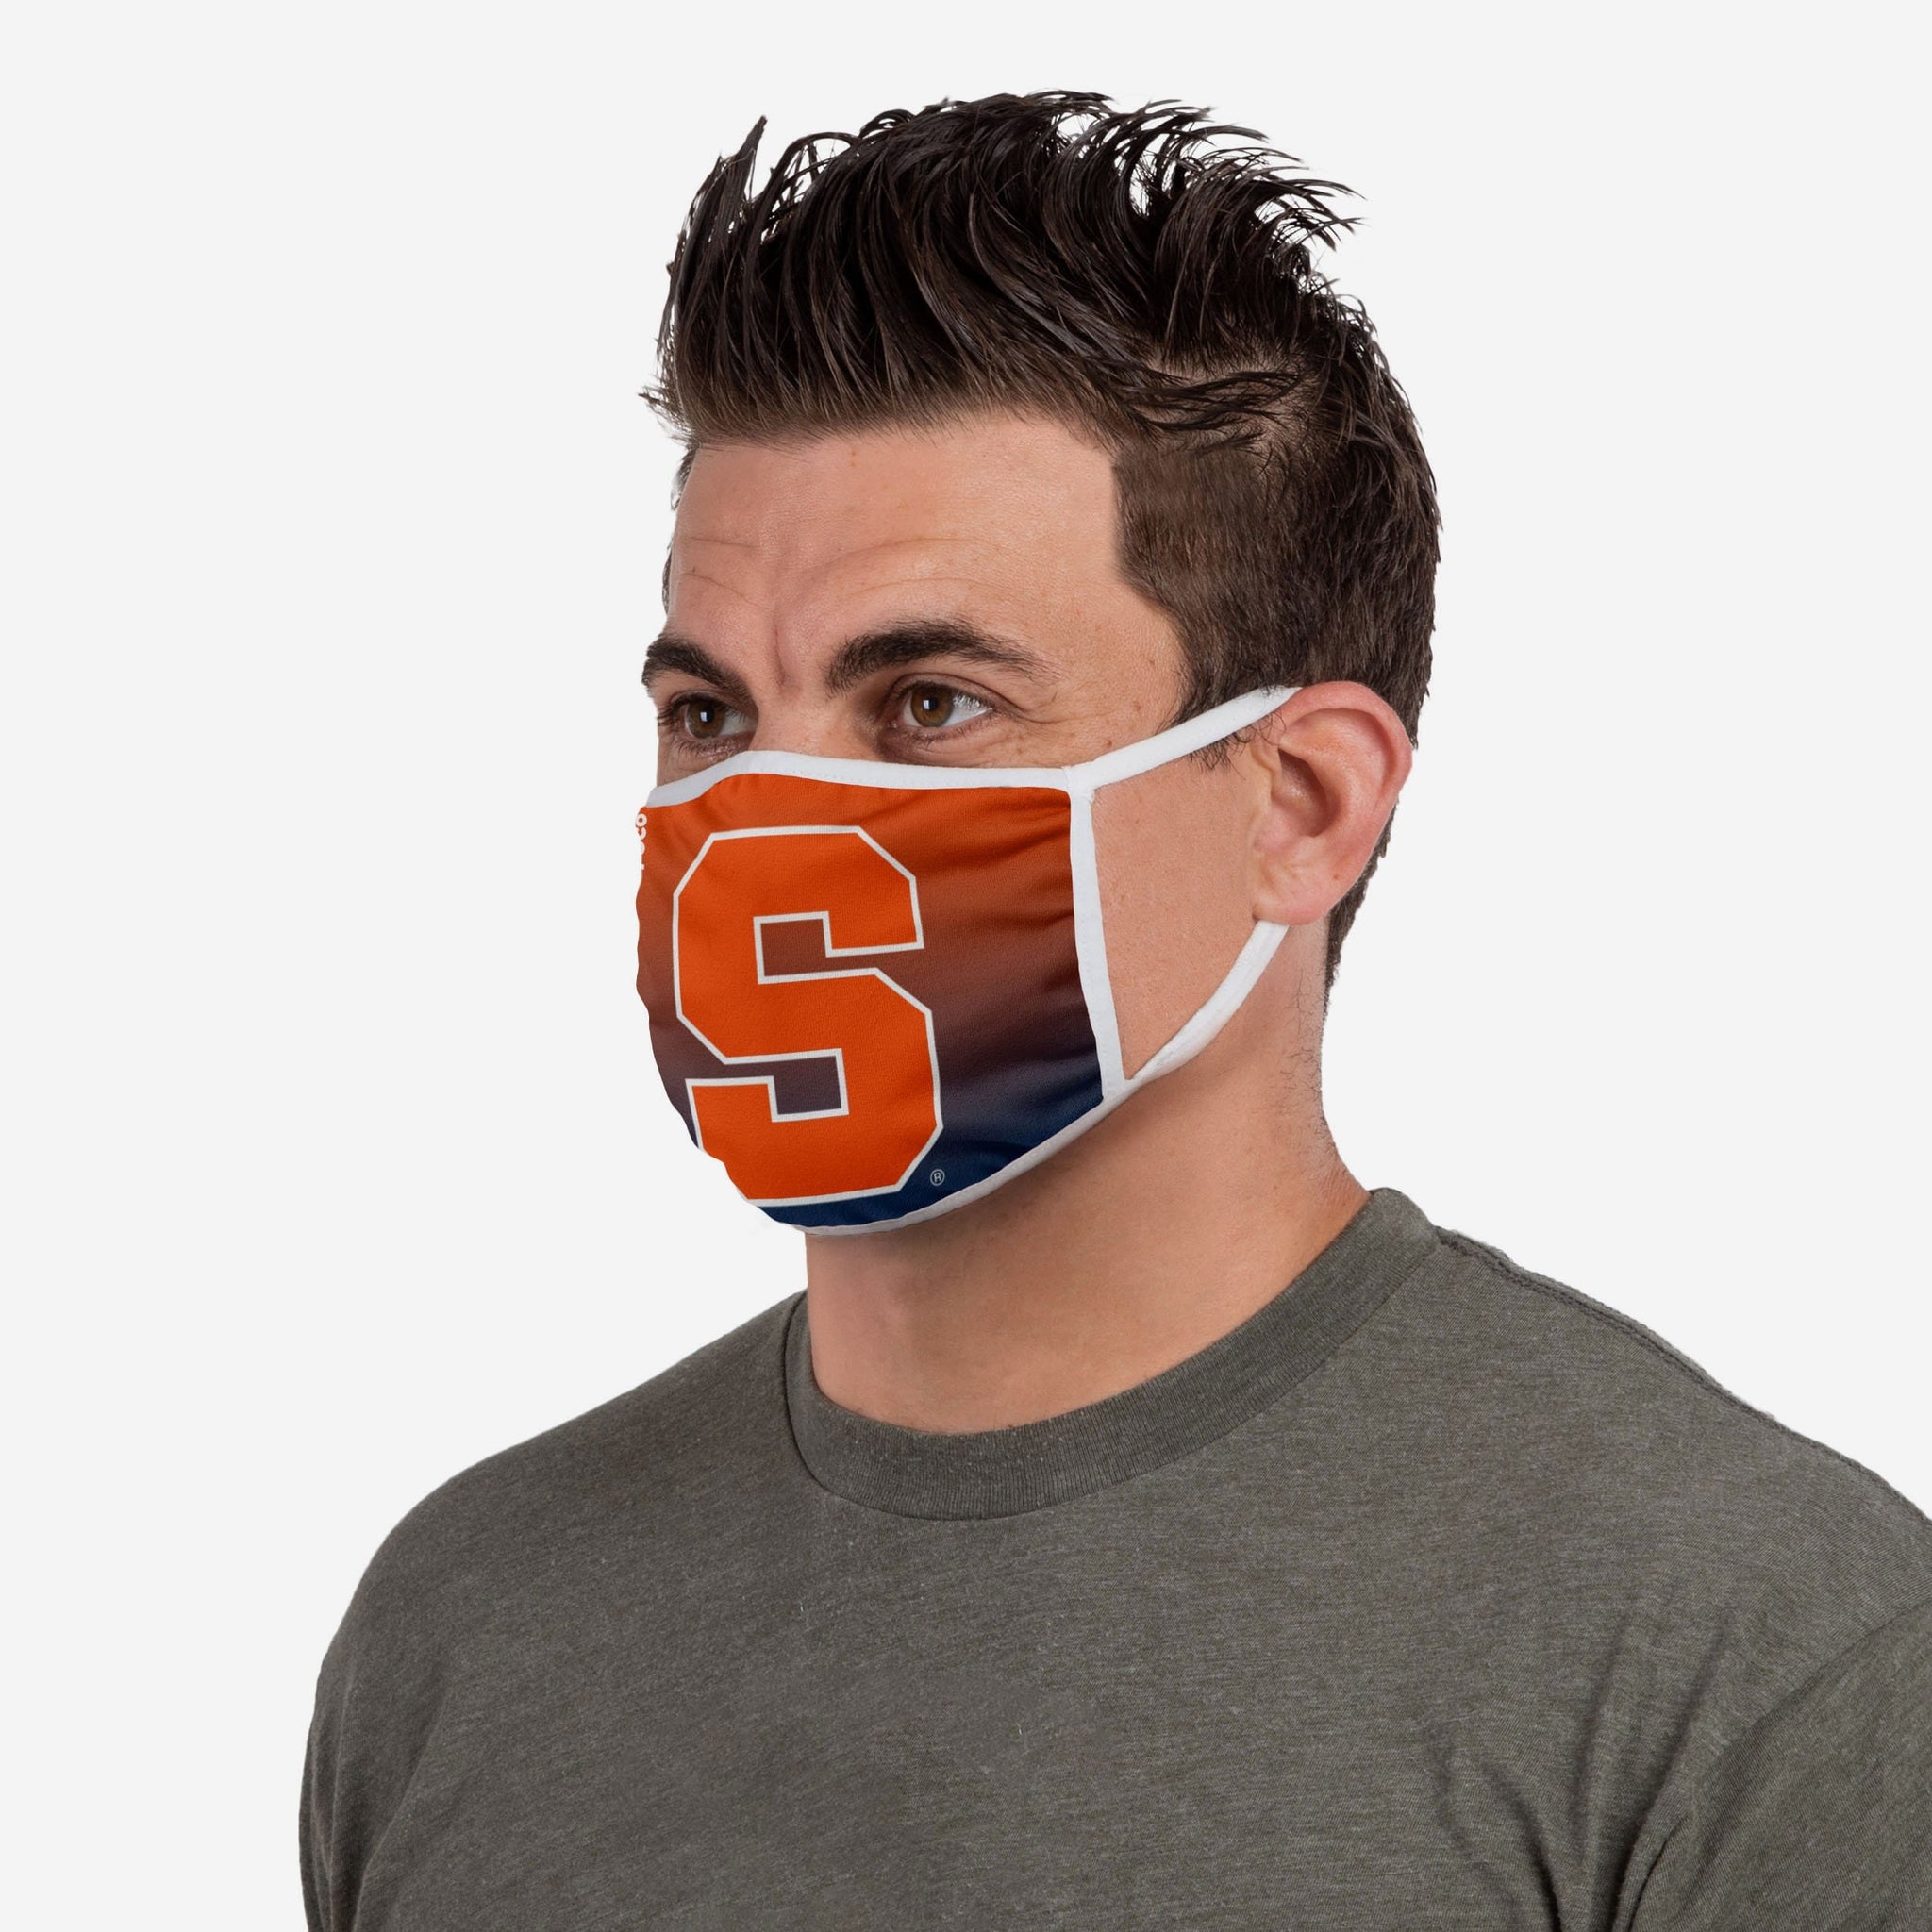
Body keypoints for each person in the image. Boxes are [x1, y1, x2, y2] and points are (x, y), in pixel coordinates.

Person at [299, 92, 1932, 1929]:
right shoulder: (470, 1622)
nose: (760, 814)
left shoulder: (1759, 1656)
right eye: (710, 716)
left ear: (1300, 803)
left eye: (928, 705)